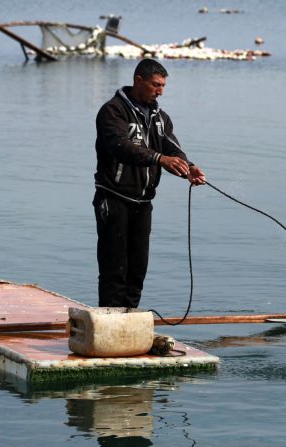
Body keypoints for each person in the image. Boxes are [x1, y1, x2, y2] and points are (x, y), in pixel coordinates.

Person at [93, 58, 205, 308]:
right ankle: (109, 325)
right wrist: (158, 158)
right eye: (156, 84)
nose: (160, 91)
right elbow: (119, 146)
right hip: (113, 198)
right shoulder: (113, 111)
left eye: (164, 86)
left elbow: (171, 147)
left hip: (143, 203)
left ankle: (130, 323)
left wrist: (188, 168)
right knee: (115, 268)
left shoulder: (160, 117)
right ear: (138, 81)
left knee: (137, 269)